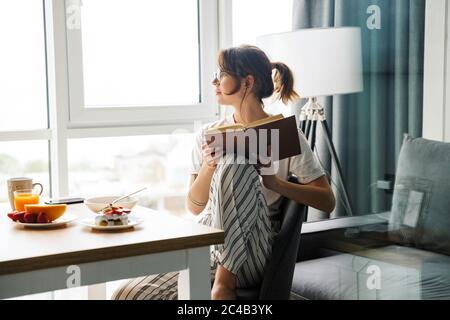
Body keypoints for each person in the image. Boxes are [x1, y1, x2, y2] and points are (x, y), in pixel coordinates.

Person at [112, 45, 336, 300]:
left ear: (247, 82)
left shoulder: (286, 135)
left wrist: (274, 183)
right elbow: (195, 207)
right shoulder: (210, 134)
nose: (213, 81)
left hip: (255, 247)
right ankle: (220, 280)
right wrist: (209, 167)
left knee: (235, 160)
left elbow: (327, 200)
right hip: (208, 242)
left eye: (221, 74)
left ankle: (224, 284)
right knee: (127, 294)